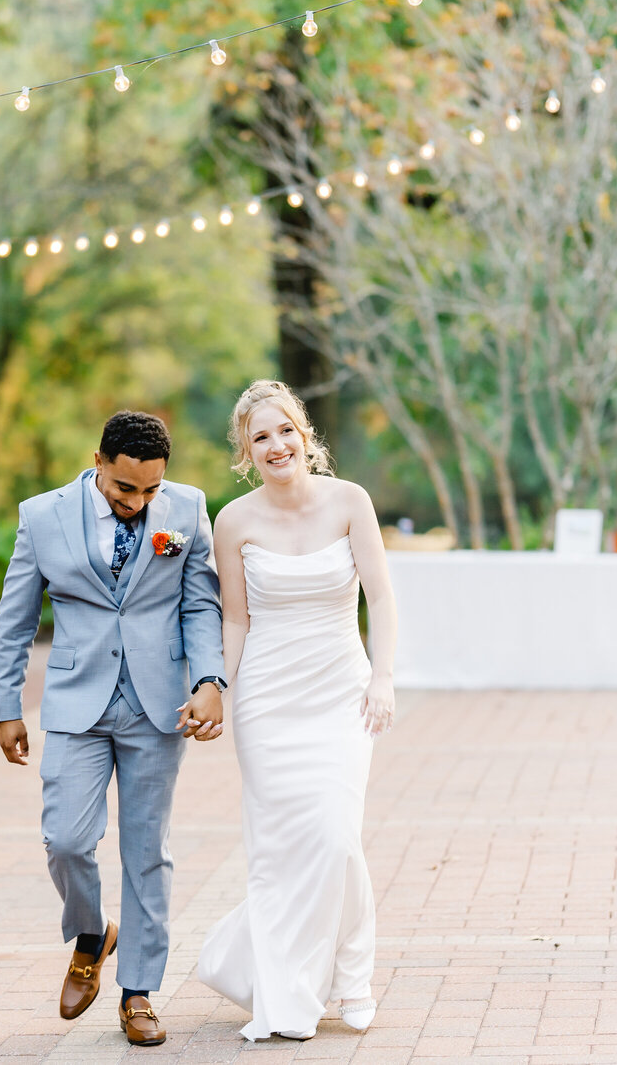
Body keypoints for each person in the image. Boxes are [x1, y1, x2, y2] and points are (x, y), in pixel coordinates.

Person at [0, 410, 227, 1048]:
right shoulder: (42, 516)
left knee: (148, 852)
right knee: (66, 840)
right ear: (98, 462)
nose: (138, 503)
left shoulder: (188, 508)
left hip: (158, 703)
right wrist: (6, 704)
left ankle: (139, 992)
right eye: (126, 489)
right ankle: (92, 935)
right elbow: (15, 617)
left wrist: (210, 681)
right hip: (76, 703)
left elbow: (200, 600)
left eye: (151, 490)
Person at [196, 379, 397, 1041]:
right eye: (260, 437)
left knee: (337, 838)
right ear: (245, 452)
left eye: (285, 430)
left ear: (304, 434)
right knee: (281, 852)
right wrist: (217, 689)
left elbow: (382, 599)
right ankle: (287, 992)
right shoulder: (234, 521)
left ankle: (352, 977)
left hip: (342, 692)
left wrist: (384, 677)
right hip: (267, 701)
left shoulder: (350, 501)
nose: (275, 445)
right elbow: (234, 618)